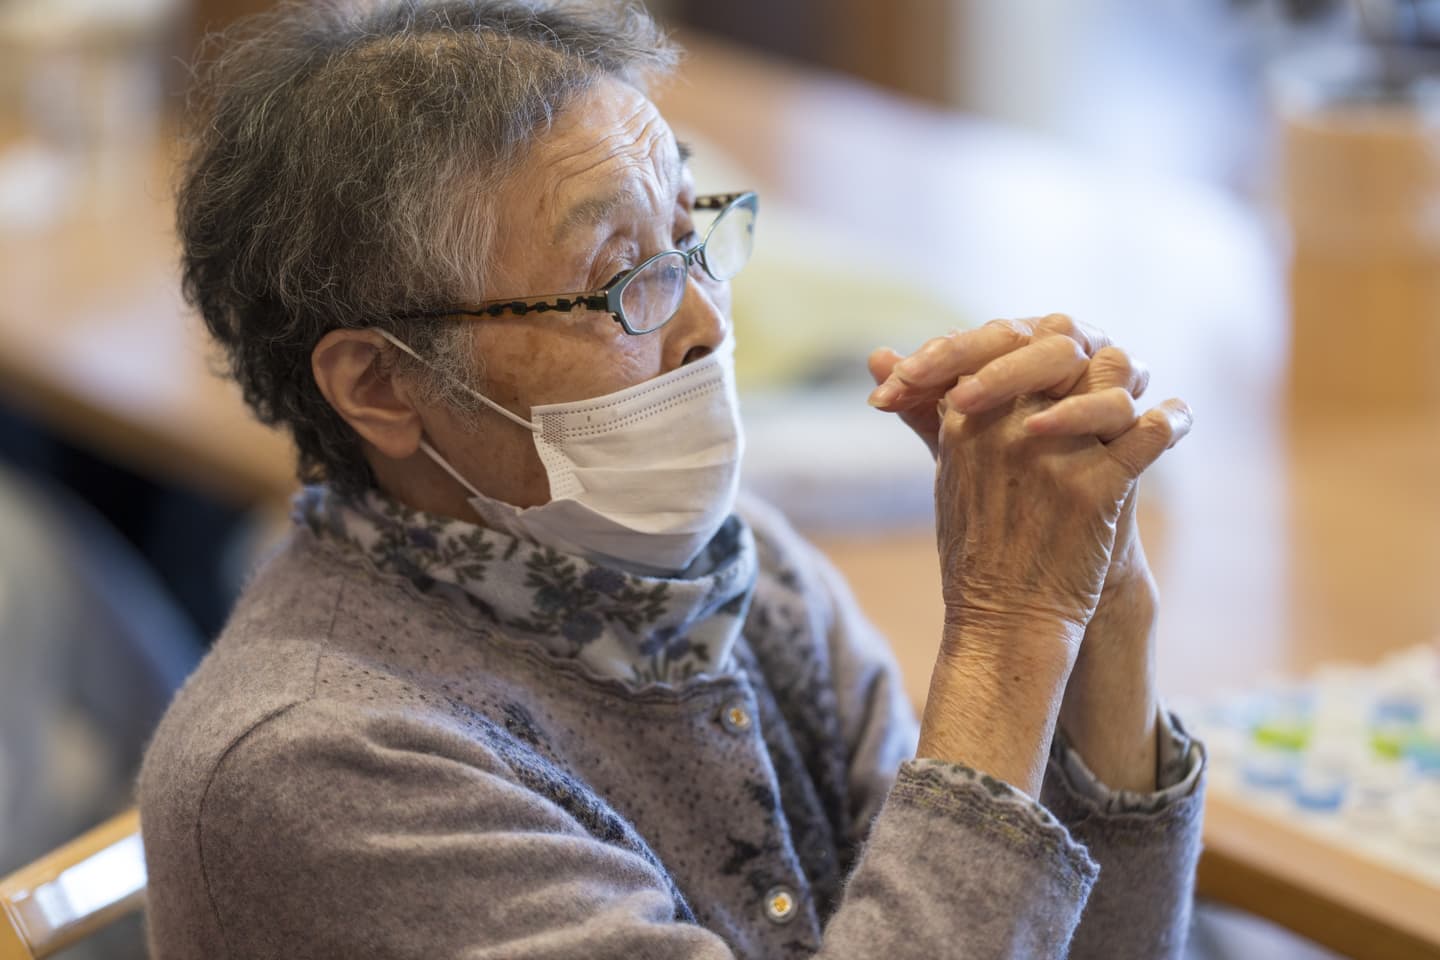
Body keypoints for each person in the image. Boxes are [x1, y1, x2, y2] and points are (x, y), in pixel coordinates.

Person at [139, 2, 1204, 957]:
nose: (704, 324)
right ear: (381, 383)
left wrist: (1105, 611)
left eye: (693, 242)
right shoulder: (318, 764)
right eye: (621, 279)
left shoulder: (744, 574)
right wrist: (1010, 633)